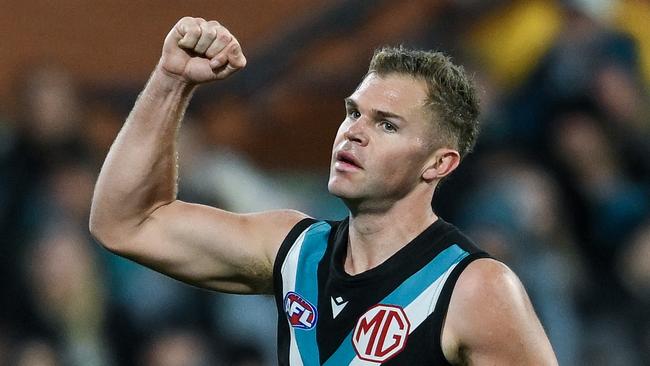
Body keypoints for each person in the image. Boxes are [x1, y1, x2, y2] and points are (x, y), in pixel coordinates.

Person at [90, 17, 558, 365]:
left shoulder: (475, 288)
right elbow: (126, 222)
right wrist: (171, 82)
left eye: (387, 125)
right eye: (354, 113)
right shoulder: (295, 250)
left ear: (439, 163)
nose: (354, 133)